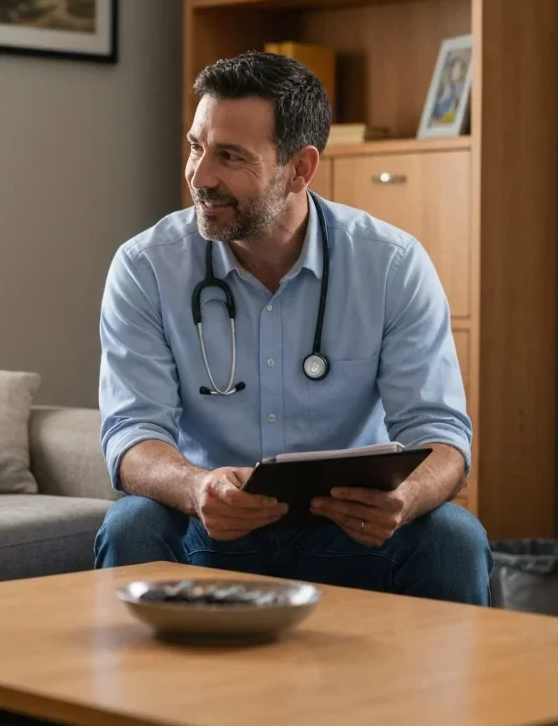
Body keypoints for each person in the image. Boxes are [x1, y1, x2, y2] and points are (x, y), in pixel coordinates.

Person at [94, 52, 491, 604]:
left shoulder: (392, 264)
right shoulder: (146, 266)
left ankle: (442, 695)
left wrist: (406, 498)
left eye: (229, 156)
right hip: (211, 530)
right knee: (131, 525)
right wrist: (195, 487)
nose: (200, 175)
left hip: (352, 536)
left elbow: (441, 435)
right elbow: (132, 434)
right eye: (196, 146)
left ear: (301, 168)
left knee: (454, 538)